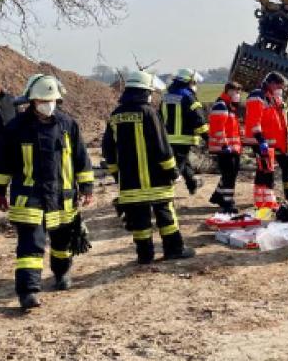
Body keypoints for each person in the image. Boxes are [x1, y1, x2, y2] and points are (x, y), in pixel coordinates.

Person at [0, 75, 94, 310]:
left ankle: (61, 275)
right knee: (30, 247)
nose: (49, 104)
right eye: (43, 100)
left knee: (62, 242)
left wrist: (86, 187)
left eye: (53, 100)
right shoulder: (16, 128)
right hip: (30, 198)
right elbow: (2, 163)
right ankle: (28, 292)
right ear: (32, 101)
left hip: (61, 197)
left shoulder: (68, 125)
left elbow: (81, 159)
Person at [102, 71, 194, 264]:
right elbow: (162, 147)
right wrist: (173, 171)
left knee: (139, 221)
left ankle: (145, 255)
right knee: (166, 217)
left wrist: (117, 175)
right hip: (157, 180)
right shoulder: (149, 113)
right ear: (145, 92)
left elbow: (108, 150)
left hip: (130, 183)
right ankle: (174, 249)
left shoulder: (115, 115)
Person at [244, 72, 288, 219]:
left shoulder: (275, 98)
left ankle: (279, 198)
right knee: (266, 172)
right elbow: (254, 121)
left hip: (278, 142)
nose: (282, 88)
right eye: (279, 85)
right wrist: (261, 140)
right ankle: (266, 204)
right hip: (262, 141)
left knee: (284, 164)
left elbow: (283, 122)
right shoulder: (258, 96)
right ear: (271, 83)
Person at [161, 68, 209, 195]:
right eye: (194, 82)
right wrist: (208, 137)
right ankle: (161, 194)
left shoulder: (166, 96)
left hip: (167, 139)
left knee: (183, 161)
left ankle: (192, 183)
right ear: (189, 81)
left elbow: (160, 117)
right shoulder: (188, 96)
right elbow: (198, 118)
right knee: (176, 167)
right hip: (183, 139)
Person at [208, 81, 244, 213]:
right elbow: (218, 129)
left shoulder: (229, 106)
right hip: (224, 148)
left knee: (230, 174)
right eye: (236, 91)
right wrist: (224, 145)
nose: (238, 94)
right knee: (229, 175)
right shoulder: (221, 106)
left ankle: (218, 196)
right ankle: (228, 202)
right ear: (228, 91)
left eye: (239, 92)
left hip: (232, 148)